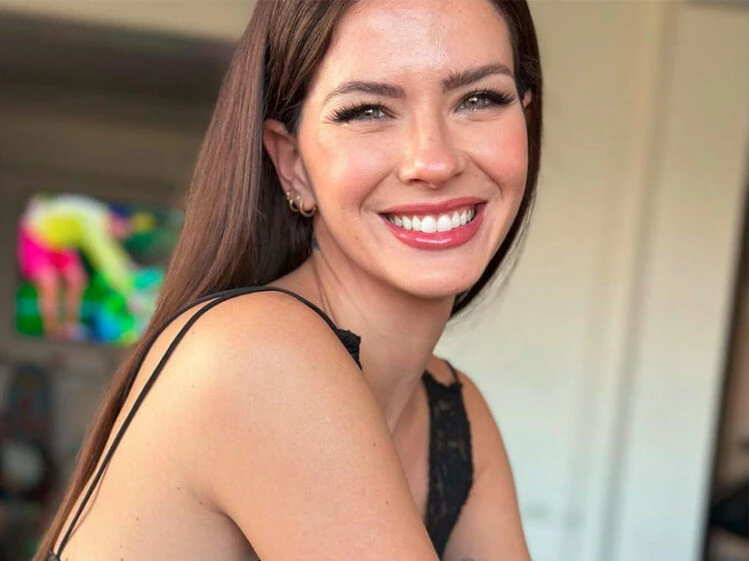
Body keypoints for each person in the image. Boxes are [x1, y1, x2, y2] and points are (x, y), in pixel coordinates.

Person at [34, 0, 542, 559]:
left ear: (525, 119)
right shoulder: (259, 354)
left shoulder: (455, 416)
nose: (434, 161)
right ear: (292, 164)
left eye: (479, 99)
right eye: (368, 111)